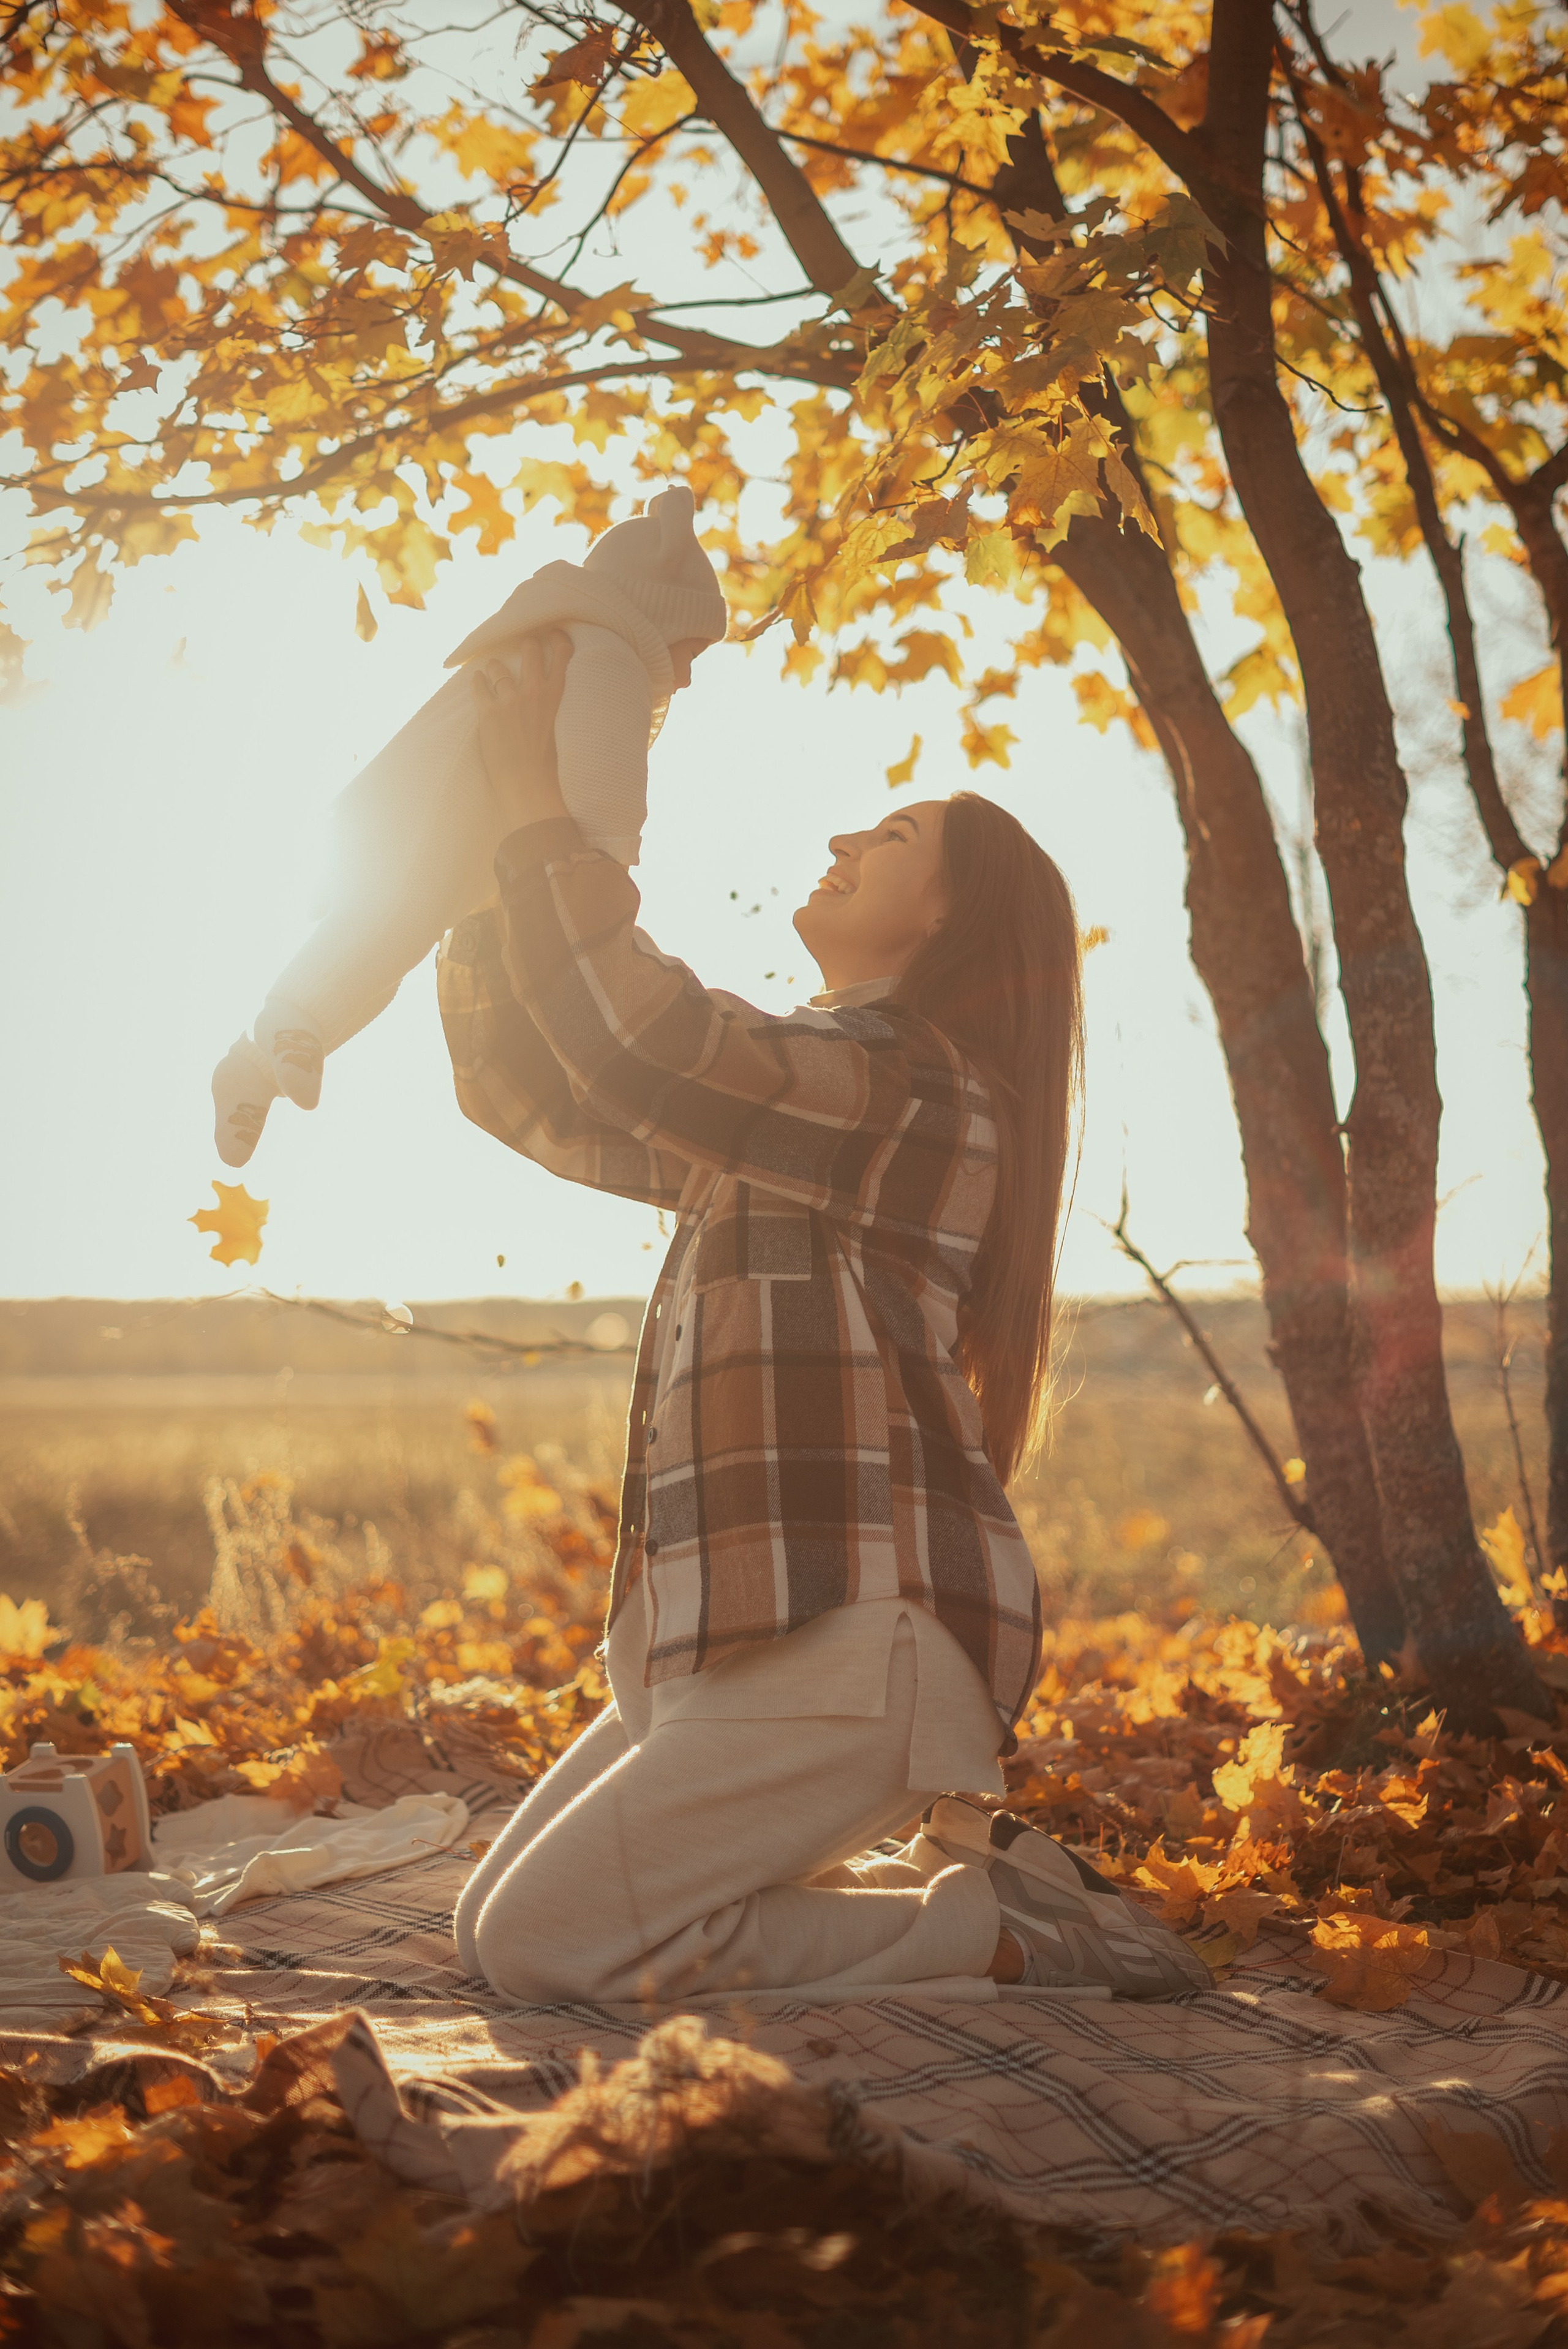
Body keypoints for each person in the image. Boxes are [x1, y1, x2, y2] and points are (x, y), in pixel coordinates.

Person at [437, 635, 1209, 2004]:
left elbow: (636, 1040)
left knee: (540, 1946)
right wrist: (489, 860)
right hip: (754, 1638)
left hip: (854, 1648)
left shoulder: (909, 1086)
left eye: (894, 832)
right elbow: (536, 1096)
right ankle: (961, 1898)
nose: (849, 834)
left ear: (944, 918)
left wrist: (537, 816)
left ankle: (986, 1934)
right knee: (487, 1929)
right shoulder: (803, 1107)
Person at [211, 485, 726, 1166]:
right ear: (655, 613)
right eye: (690, 648)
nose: (685, 678)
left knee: (395, 936)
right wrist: (606, 860)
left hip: (445, 817)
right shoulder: (609, 657)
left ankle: (261, 1058)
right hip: (446, 818)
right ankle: (290, 1020)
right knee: (391, 915)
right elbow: (606, 772)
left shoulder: (555, 639)